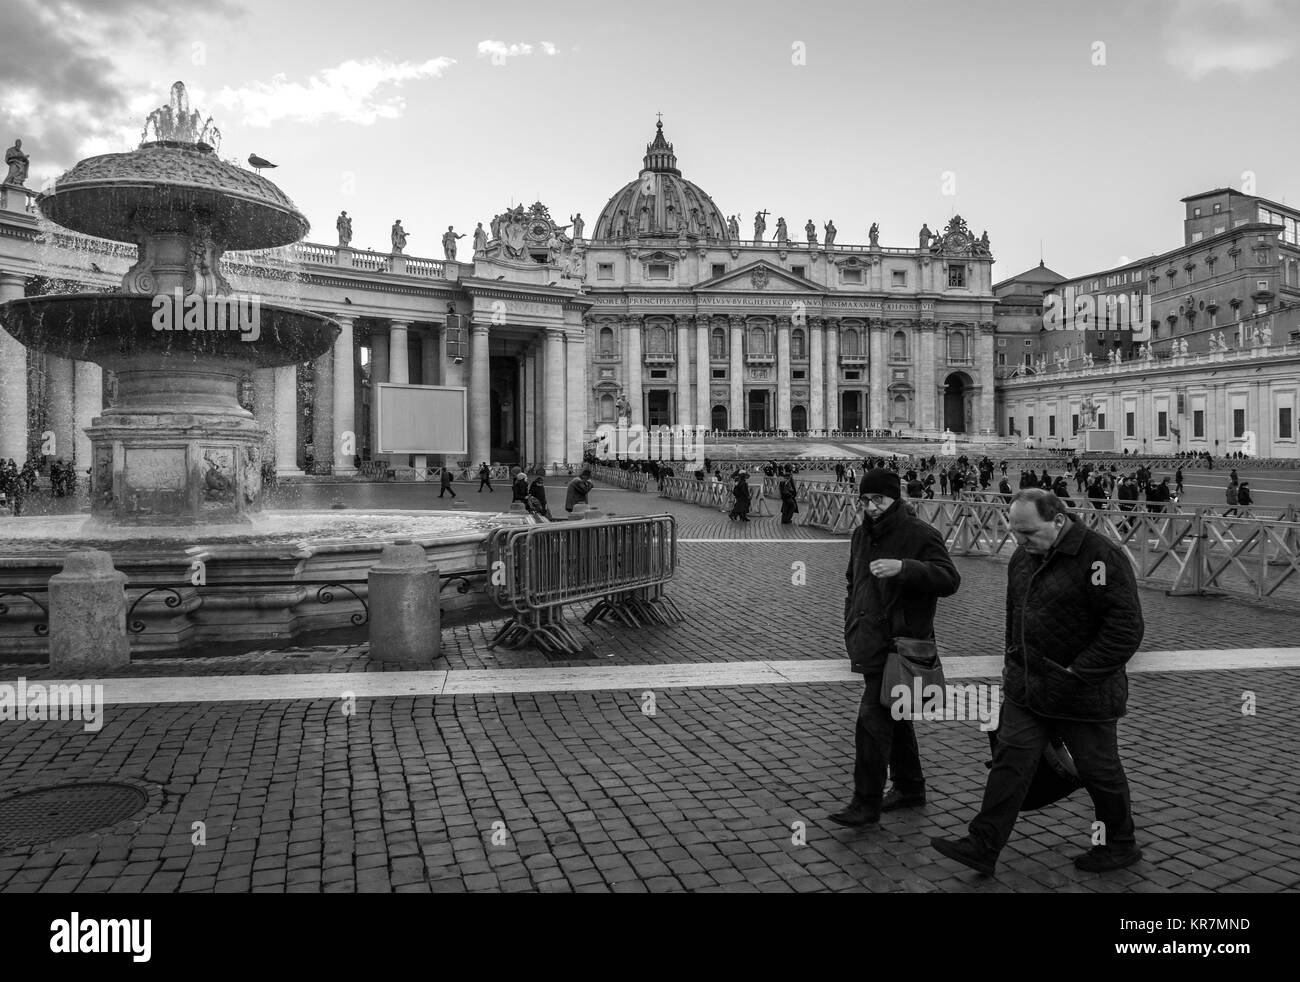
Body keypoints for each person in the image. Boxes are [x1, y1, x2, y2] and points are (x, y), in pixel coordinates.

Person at [931, 488, 1144, 875]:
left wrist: (1078, 672)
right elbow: (1016, 616)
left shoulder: (1100, 557)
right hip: (1027, 688)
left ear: (1058, 520)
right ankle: (983, 843)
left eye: (1028, 533)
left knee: (1099, 770)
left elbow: (1125, 629)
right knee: (1009, 761)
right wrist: (1012, 662)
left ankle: (1121, 844)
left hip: (1083, 692)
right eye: (1015, 532)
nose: (1020, 541)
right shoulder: (1022, 557)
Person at [829, 469, 961, 828]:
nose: (871, 507)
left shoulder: (919, 534)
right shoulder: (860, 535)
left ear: (894, 499)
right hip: (868, 640)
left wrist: (906, 568)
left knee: (871, 723)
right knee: (896, 713)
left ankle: (865, 802)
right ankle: (910, 786)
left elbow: (949, 580)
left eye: (878, 500)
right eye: (866, 500)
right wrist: (851, 620)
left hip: (900, 645)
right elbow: (852, 581)